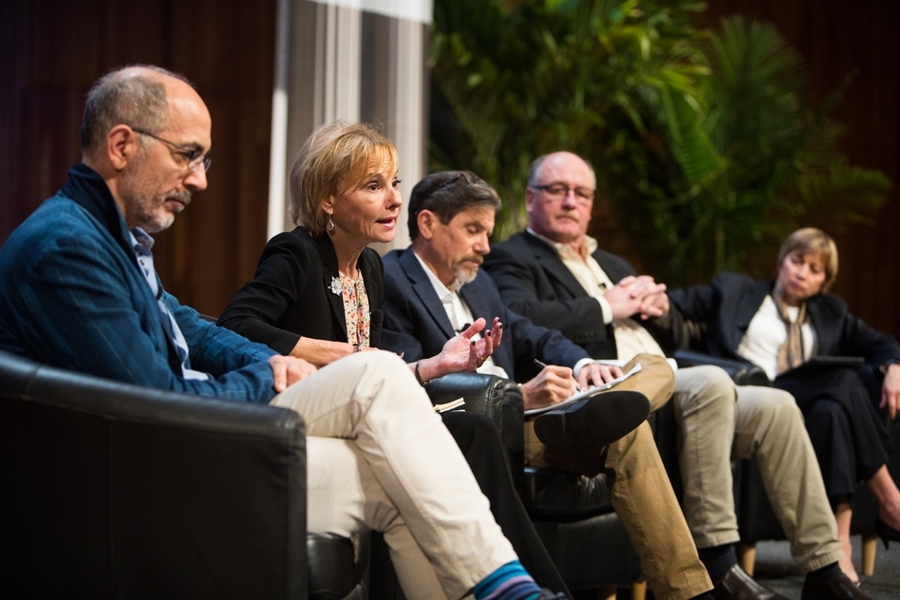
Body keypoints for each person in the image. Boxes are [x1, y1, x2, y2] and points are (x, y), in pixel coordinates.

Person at [0, 65, 570, 600]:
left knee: (404, 480)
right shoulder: (67, 247)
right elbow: (153, 405)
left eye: (205, 161)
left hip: (178, 446)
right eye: (187, 156)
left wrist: (266, 361)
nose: (199, 180)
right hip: (147, 475)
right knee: (373, 375)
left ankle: (507, 586)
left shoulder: (109, 237)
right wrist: (266, 372)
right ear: (122, 146)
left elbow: (195, 328)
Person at [218, 120, 596, 594]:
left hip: (356, 410)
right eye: (374, 186)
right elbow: (233, 327)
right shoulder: (295, 253)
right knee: (467, 433)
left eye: (393, 183)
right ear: (328, 200)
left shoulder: (371, 267)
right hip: (296, 410)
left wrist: (436, 365)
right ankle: (520, 587)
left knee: (475, 430)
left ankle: (522, 583)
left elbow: (377, 371)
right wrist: (327, 353)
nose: (396, 198)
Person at [482, 151, 869, 600]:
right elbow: (522, 320)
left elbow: (676, 331)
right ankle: (716, 559)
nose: (571, 201)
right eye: (558, 191)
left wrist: (663, 314)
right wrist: (611, 306)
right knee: (709, 382)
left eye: (581, 193)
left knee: (777, 405)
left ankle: (823, 566)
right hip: (609, 387)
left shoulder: (612, 264)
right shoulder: (512, 258)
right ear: (531, 198)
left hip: (668, 380)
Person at [380, 170, 718, 600]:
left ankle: (689, 593)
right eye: (473, 231)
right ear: (428, 225)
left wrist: (583, 365)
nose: (485, 246)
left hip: (538, 415)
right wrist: (518, 398)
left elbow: (530, 334)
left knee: (655, 368)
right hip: (486, 426)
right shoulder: (393, 281)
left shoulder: (478, 282)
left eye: (486, 232)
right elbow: (413, 382)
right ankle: (584, 421)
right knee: (625, 429)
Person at [668, 227, 900, 585]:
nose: (802, 272)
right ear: (781, 261)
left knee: (833, 410)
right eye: (797, 261)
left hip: (805, 413)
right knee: (843, 378)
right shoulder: (736, 291)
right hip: (754, 395)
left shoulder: (830, 312)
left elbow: (882, 343)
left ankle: (840, 540)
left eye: (814, 269)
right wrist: (646, 298)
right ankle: (889, 498)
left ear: (825, 281)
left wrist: (894, 367)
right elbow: (676, 302)